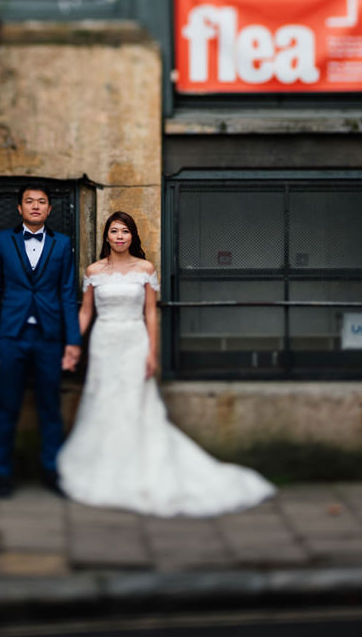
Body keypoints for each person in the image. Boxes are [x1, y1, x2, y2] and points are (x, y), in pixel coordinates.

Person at [57, 212, 276, 517]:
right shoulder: (94, 270)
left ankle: (138, 468)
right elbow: (85, 312)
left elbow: (150, 313)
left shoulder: (145, 269)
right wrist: (72, 343)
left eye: (125, 232)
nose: (120, 237)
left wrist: (152, 353)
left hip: (134, 341)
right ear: (106, 236)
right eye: (114, 231)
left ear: (132, 236)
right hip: (103, 343)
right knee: (102, 401)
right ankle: (102, 464)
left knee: (135, 404)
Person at [0, 182, 82, 499]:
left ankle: (52, 471)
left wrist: (72, 341)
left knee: (50, 408)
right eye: (30, 202)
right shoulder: (2, 240)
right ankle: (1, 474)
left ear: (50, 209)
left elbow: (68, 294)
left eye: (42, 202)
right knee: (7, 407)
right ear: (20, 208)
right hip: (11, 336)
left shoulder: (62, 244)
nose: (36, 206)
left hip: (49, 338)